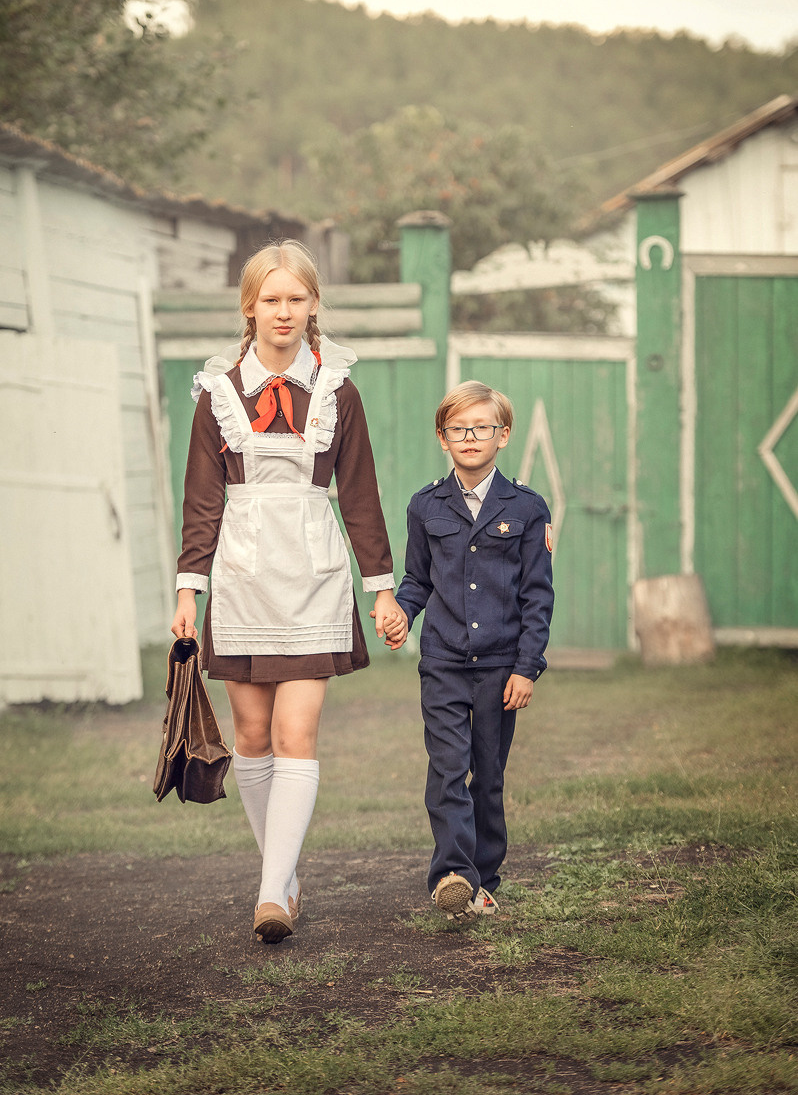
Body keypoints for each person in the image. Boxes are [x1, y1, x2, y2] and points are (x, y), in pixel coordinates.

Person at [171, 239, 407, 944]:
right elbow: (201, 502)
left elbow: (360, 496)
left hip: (314, 577)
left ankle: (272, 892)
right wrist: (190, 589)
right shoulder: (217, 393)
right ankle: (286, 875)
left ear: (313, 307)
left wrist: (382, 590)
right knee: (250, 736)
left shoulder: (338, 390)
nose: (283, 311)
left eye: (296, 299)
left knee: (294, 731)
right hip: (240, 580)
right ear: (250, 307)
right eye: (270, 299)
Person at [390, 380, 554, 921]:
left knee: (487, 774)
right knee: (446, 768)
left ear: (502, 435)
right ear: (443, 437)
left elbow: (537, 595)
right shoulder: (424, 505)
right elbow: (417, 579)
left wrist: (527, 668)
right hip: (442, 661)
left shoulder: (527, 508)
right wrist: (400, 612)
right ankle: (453, 875)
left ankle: (485, 877)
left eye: (481, 428)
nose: (469, 437)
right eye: (458, 429)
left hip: (501, 666)